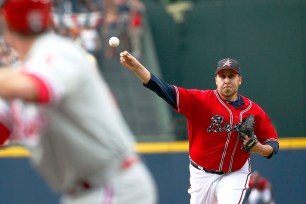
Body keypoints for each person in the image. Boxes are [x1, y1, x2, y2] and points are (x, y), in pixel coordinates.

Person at [0, 0, 157, 204]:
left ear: (8, 32)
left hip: (113, 185)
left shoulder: (58, 52)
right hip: (83, 192)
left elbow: (35, 88)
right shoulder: (18, 79)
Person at [119, 51, 279, 204]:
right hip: (201, 174)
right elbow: (164, 89)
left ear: (240, 79)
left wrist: (260, 149)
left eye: (231, 76)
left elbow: (273, 143)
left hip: (235, 173)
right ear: (216, 80)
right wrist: (136, 67)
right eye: (222, 76)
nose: (227, 80)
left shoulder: (253, 110)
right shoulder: (201, 101)